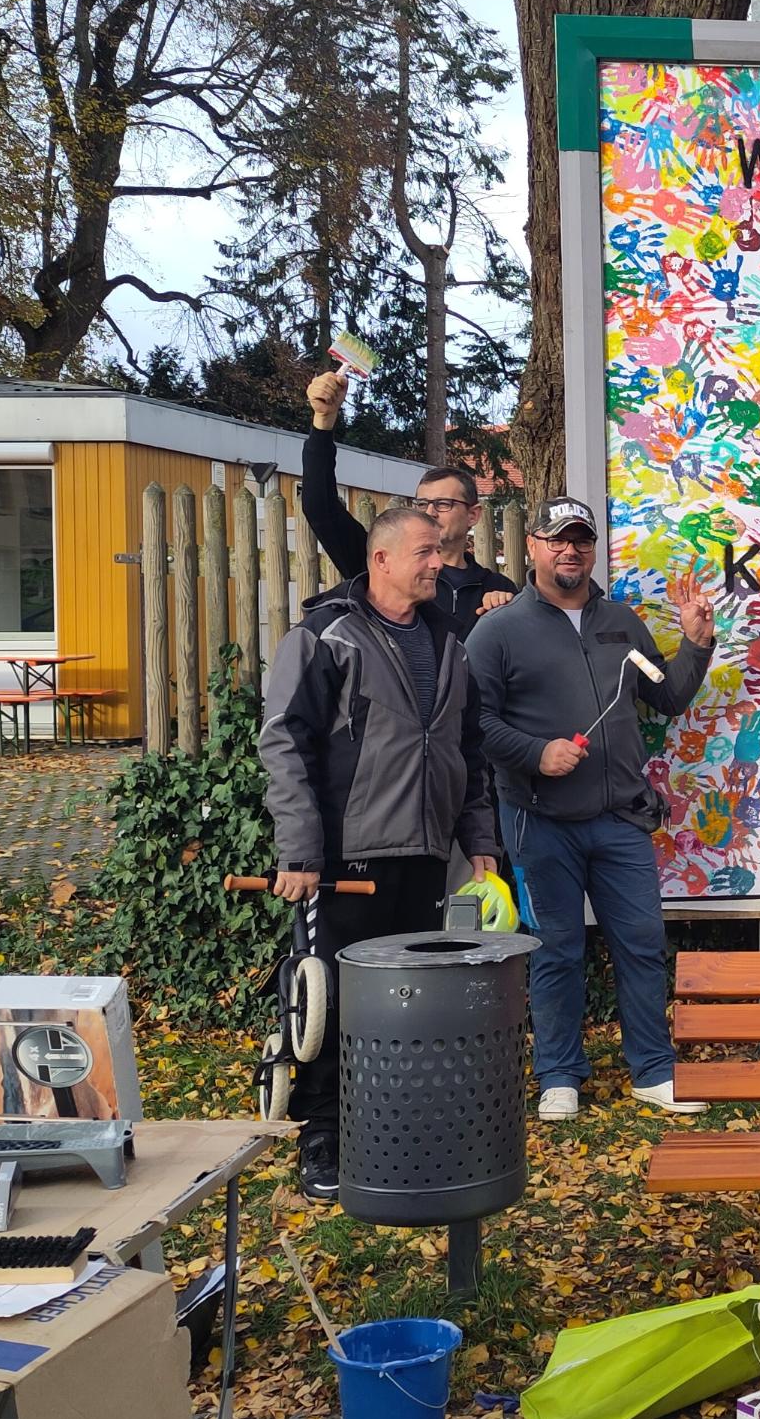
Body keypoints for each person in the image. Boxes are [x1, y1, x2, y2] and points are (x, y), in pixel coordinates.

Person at [259, 506, 499, 1200]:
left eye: (442, 552)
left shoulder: (451, 641)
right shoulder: (325, 635)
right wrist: (300, 849)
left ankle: (392, 1125)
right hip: (343, 861)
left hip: (424, 854)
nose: (440, 562)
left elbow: (469, 750)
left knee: (405, 1001)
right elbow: (283, 740)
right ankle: (324, 1137)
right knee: (333, 999)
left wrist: (478, 840)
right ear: (383, 560)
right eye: (426, 552)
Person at [467, 496, 715, 1122]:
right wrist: (534, 752)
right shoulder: (498, 630)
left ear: (592, 549)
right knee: (555, 950)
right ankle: (558, 1076)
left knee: (639, 941)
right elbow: (473, 723)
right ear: (534, 548)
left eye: (580, 539)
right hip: (538, 819)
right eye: (557, 539)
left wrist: (695, 645)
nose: (569, 550)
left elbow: (667, 698)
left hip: (621, 819)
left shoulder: (621, 622)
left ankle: (654, 1071)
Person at [304, 365, 517, 620]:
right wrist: (323, 423)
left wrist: (502, 612)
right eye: (422, 503)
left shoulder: (497, 589)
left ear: (473, 515)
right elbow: (319, 507)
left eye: (443, 504)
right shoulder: (384, 566)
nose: (430, 512)